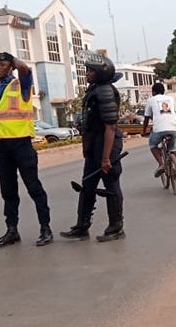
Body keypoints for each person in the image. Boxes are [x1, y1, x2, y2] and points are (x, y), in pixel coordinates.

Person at [0, 52, 53, 248]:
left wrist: (14, 60)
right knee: (8, 192)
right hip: (1, 146)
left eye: (2, 64)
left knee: (34, 187)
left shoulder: (21, 84)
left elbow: (25, 69)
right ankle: (12, 230)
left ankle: (45, 228)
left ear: (11, 66)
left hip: (21, 144)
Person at [60, 50, 125, 242]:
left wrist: (105, 158)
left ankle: (116, 227)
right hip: (95, 145)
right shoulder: (94, 89)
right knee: (87, 185)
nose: (87, 74)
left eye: (90, 71)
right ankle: (82, 226)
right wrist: (87, 148)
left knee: (111, 186)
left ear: (100, 72)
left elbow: (110, 127)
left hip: (107, 145)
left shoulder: (105, 91)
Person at [142, 82, 176, 177]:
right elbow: (175, 113)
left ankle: (161, 164)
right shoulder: (171, 98)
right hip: (173, 127)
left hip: (159, 129)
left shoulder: (151, 100)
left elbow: (146, 117)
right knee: (173, 148)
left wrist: (143, 130)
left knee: (153, 144)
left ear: (153, 92)